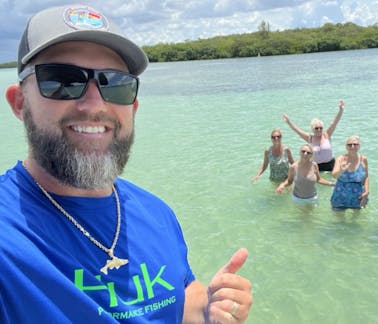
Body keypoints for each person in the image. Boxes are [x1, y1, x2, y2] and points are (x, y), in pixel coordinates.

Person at [0, 5, 251, 323]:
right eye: (62, 80)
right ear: (19, 102)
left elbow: (181, 295)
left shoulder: (157, 213)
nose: (94, 104)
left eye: (114, 83)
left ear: (133, 106)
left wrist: (210, 310)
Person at [282, 100, 344, 172]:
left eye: (321, 128)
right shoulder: (309, 138)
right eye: (316, 128)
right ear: (312, 129)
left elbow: (334, 122)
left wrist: (341, 110)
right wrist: (288, 121)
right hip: (316, 167)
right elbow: (297, 130)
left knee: (332, 182)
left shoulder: (327, 135)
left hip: (330, 165)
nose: (319, 130)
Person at [330, 136, 369, 209]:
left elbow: (366, 177)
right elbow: (334, 175)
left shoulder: (363, 159)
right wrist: (341, 170)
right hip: (340, 194)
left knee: (356, 218)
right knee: (339, 219)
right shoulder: (341, 159)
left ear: (359, 146)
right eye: (349, 144)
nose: (352, 146)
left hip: (358, 195)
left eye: (355, 144)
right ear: (346, 147)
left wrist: (366, 191)